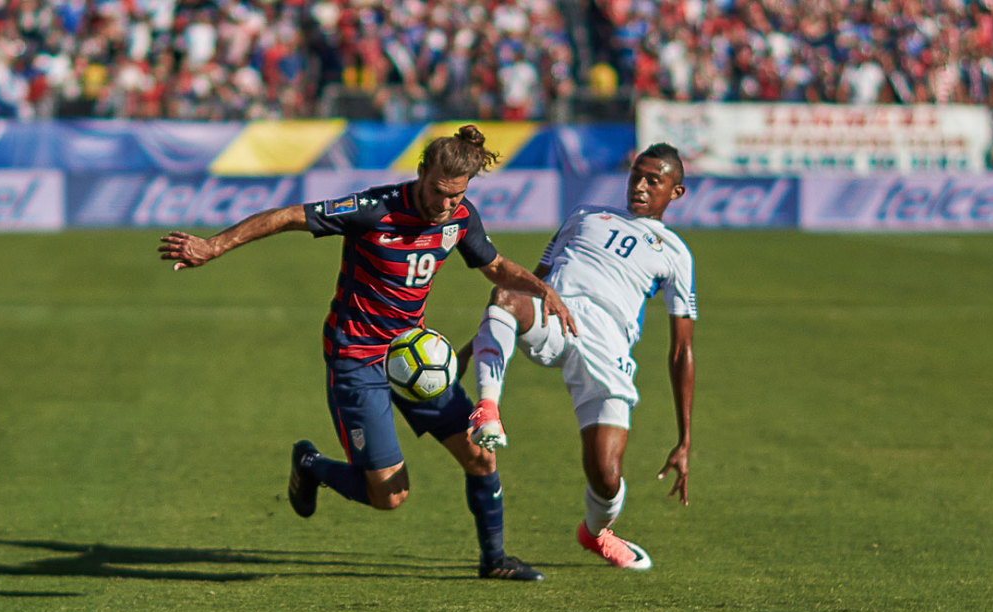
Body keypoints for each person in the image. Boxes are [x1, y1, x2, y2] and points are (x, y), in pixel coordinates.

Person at [158, 125, 576, 581]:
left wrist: (541, 291)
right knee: (390, 496)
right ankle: (310, 465)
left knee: (481, 455)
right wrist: (213, 246)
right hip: (356, 358)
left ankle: (494, 561)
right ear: (421, 173)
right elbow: (288, 216)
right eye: (437, 191)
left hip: (413, 358)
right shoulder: (372, 208)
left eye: (455, 195)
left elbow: (493, 267)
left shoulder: (460, 218)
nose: (444, 204)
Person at [463, 143, 696, 571]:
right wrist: (470, 347)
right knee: (507, 294)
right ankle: (488, 409)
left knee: (606, 477)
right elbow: (537, 279)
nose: (640, 186)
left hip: (607, 350)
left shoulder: (676, 254)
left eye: (653, 180)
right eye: (635, 175)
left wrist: (684, 439)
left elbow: (682, 349)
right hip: (558, 316)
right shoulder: (585, 215)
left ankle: (596, 532)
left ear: (675, 192)